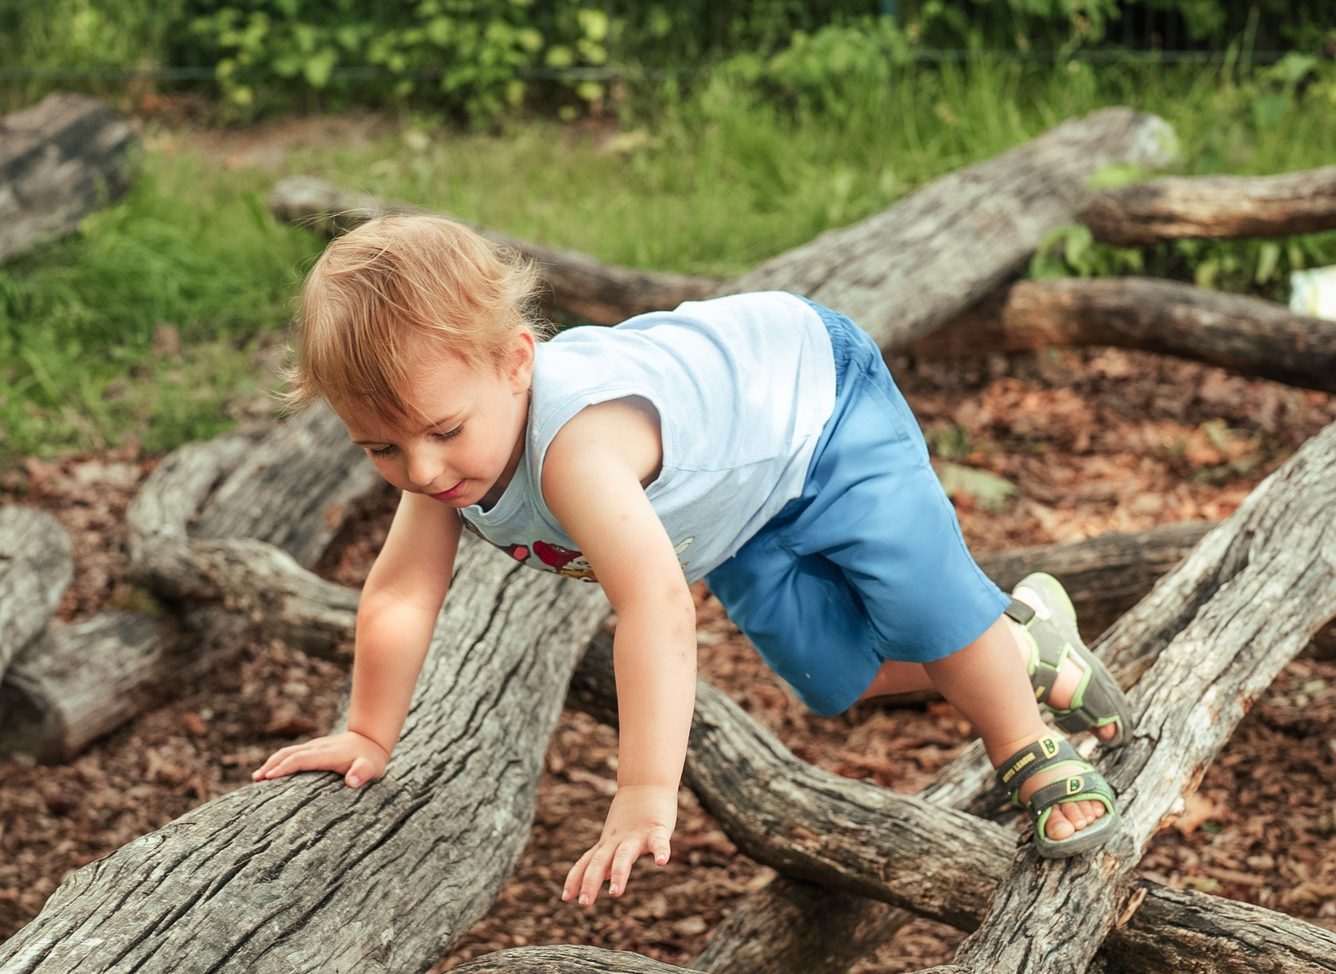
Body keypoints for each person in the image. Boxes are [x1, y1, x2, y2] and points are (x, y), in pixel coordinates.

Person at [254, 214, 1129, 906]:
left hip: (816, 407)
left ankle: (1026, 748)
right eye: (382, 450)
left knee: (929, 610)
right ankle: (1022, 645)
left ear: (517, 362)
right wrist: (369, 729)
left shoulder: (577, 450)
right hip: (734, 506)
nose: (423, 471)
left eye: (443, 431)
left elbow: (656, 609)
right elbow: (403, 591)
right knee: (839, 680)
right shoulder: (437, 459)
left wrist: (643, 788)